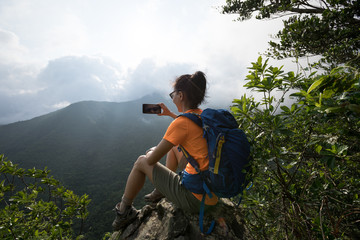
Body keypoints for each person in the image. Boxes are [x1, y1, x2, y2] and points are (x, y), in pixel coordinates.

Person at [112, 71, 218, 231]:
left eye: (172, 94)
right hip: (211, 192)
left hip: (195, 199)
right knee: (174, 145)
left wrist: (151, 152)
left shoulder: (181, 124)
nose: (172, 97)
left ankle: (124, 211)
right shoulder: (204, 116)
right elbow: (189, 128)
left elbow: (150, 161)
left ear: (180, 95)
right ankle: (162, 189)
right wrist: (170, 114)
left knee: (141, 160)